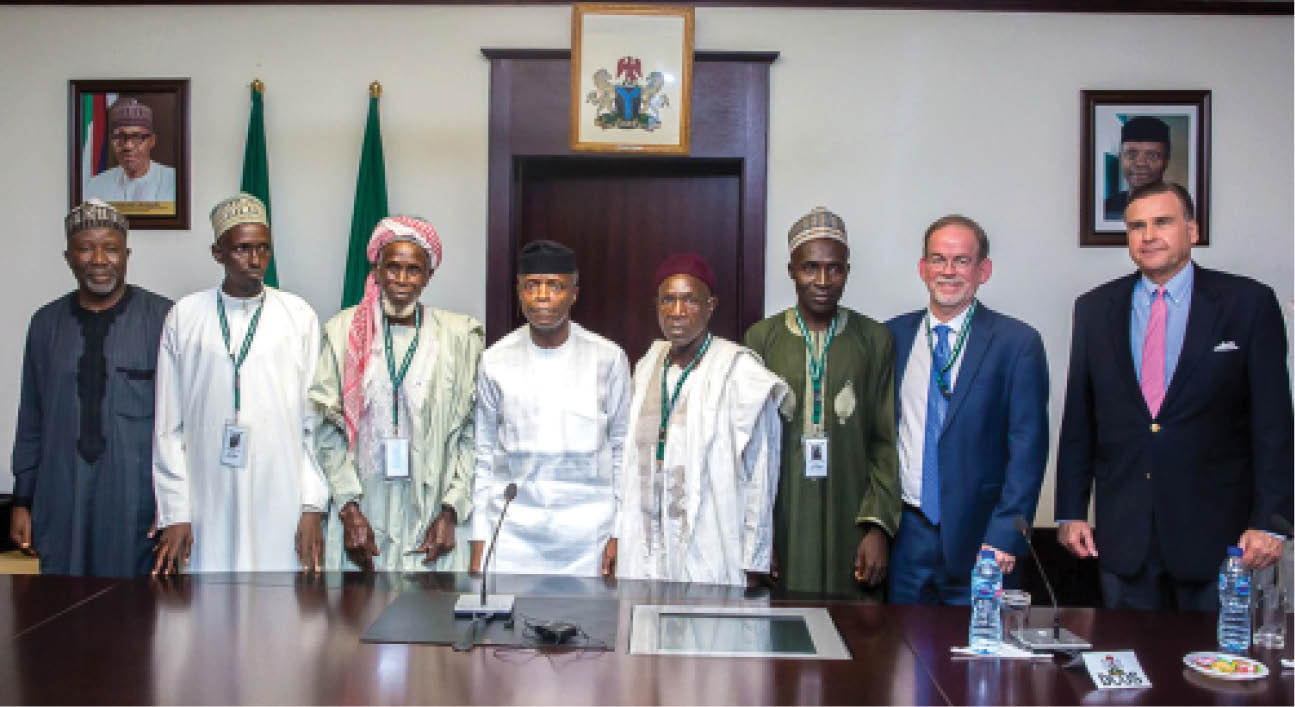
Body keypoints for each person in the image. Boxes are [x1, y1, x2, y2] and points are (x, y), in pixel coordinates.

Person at [1057, 182, 1293, 610]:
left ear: (1192, 230)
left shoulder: (1248, 303)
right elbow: (1080, 420)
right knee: (1125, 652)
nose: (1148, 236)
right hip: (1124, 535)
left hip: (1221, 539)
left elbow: (1274, 423)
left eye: (1162, 222)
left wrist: (1272, 522)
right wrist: (1071, 511)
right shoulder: (1094, 308)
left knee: (1214, 655)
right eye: (1136, 226)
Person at [151, 193, 329, 574]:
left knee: (279, 598)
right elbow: (168, 426)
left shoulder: (298, 316)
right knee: (207, 595)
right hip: (206, 494)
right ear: (217, 253)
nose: (255, 260)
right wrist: (175, 510)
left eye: (263, 248)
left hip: (279, 493)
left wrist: (312, 504)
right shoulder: (185, 317)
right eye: (242, 249)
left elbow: (314, 424)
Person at [884, 215, 1049, 604]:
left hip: (984, 540)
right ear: (923, 268)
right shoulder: (891, 336)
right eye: (938, 259)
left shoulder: (1017, 343)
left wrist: (1005, 534)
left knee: (978, 643)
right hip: (905, 536)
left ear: (983, 271)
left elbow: (1028, 447)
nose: (948, 271)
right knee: (899, 641)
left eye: (961, 261)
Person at [309, 216, 482, 572]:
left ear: (429, 275)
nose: (402, 279)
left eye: (413, 270)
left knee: (430, 606)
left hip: (433, 516)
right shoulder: (343, 332)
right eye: (393, 267)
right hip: (362, 514)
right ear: (376, 270)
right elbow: (327, 431)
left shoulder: (459, 337)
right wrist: (349, 510)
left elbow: (472, 432)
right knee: (359, 606)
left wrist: (452, 510)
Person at [8, 200, 172, 577]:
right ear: (68, 257)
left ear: (127, 255)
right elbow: (31, 417)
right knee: (61, 605)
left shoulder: (164, 319)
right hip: (61, 495)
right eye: (85, 248)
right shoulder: (45, 324)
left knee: (136, 608)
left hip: (138, 502)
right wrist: (22, 500)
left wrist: (178, 508)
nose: (99, 259)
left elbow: (183, 423)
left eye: (111, 248)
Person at [743, 207, 900, 600]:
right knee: (782, 627)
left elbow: (885, 440)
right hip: (784, 517)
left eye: (835, 269)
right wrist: (757, 538)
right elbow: (750, 448)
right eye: (810, 268)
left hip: (852, 512)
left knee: (855, 631)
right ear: (791, 270)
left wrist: (878, 528)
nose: (823, 281)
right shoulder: (762, 339)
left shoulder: (874, 340)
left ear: (847, 271)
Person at [610, 253, 787, 586]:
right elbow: (628, 460)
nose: (677, 311)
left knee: (706, 618)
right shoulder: (648, 364)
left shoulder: (739, 371)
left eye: (690, 300)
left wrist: (755, 556)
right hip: (645, 546)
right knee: (641, 616)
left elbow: (761, 471)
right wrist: (618, 532)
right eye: (668, 300)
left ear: (710, 305)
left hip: (711, 543)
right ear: (657, 305)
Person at [470, 240, 630, 576]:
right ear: (519, 292)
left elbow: (622, 451)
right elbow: (484, 455)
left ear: (574, 293)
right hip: (514, 536)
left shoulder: (607, 358)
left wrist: (620, 532)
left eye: (555, 286)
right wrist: (479, 539)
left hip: (588, 535)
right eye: (532, 285)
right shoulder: (495, 360)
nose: (542, 296)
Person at [84, 98, 177, 204]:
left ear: (152, 141)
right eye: (120, 137)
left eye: (137, 137)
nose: (128, 146)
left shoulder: (174, 182)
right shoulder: (96, 186)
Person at [1102, 116, 1170, 220]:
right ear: (1120, 158)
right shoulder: (1105, 210)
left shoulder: (1180, 208)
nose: (1140, 163)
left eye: (1152, 155)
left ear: (1166, 160)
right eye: (1131, 154)